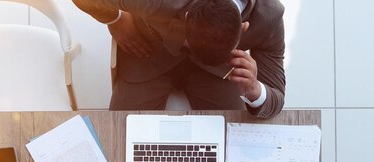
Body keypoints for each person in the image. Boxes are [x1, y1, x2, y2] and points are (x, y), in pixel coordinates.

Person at [73, 0, 286, 118]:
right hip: (147, 53)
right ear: (186, 16)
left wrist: (255, 90)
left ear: (243, 27)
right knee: (124, 135)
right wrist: (115, 19)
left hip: (218, 75)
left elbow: (276, 97)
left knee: (234, 146)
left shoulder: (269, 18)